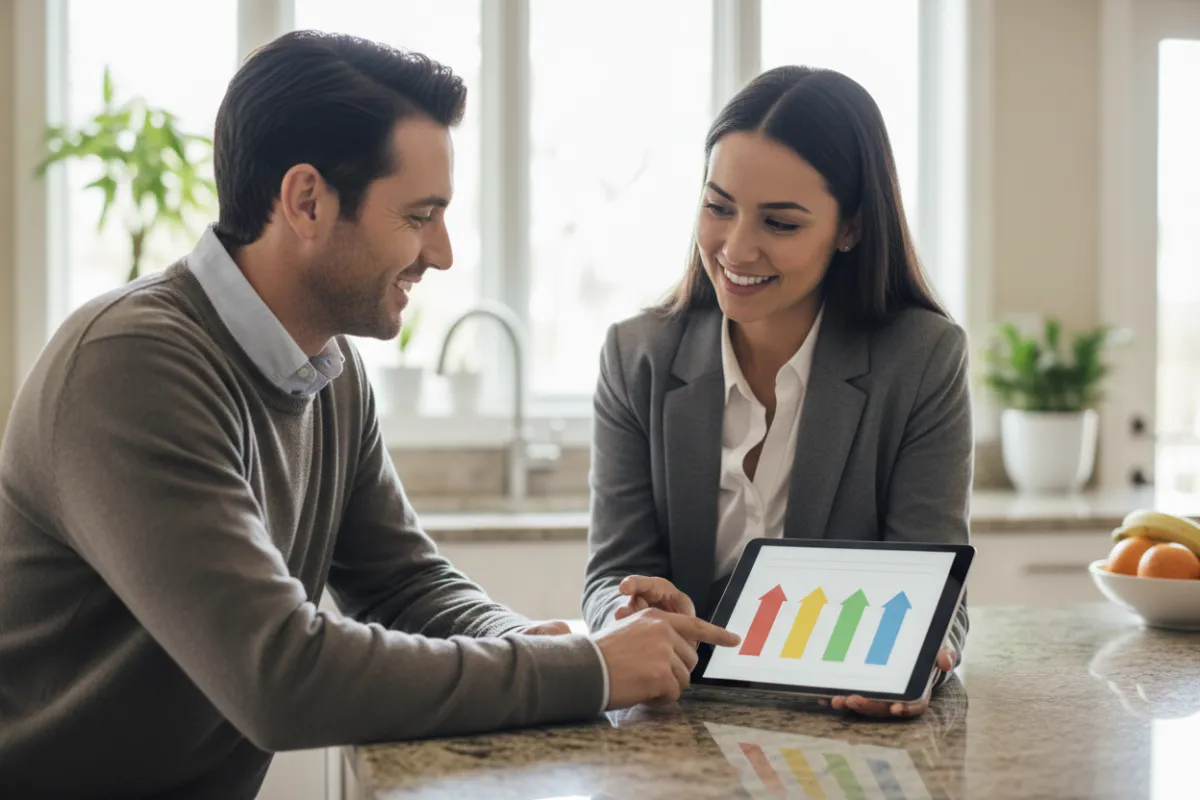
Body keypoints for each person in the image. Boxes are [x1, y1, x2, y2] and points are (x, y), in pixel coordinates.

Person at [0, 31, 739, 799]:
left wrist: (528, 637)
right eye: (420, 216)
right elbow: (278, 676)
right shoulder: (132, 364)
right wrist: (587, 668)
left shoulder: (329, 368)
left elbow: (402, 585)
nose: (442, 253)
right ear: (306, 201)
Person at [582, 66, 971, 719]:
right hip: (676, 717)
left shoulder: (921, 358)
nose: (736, 249)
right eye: (718, 207)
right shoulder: (637, 356)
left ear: (850, 228)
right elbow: (610, 576)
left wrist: (922, 657)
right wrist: (631, 613)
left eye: (780, 224)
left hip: (838, 730)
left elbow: (934, 586)